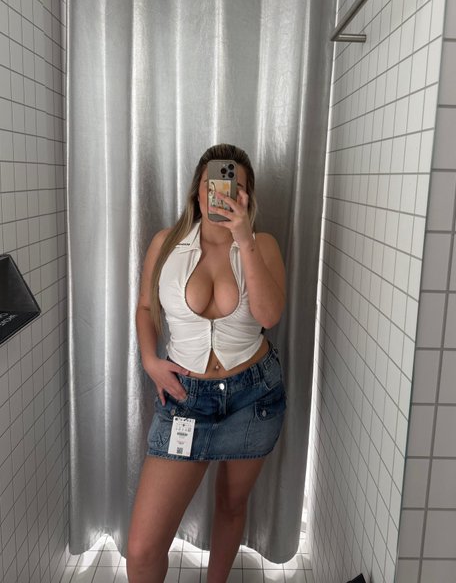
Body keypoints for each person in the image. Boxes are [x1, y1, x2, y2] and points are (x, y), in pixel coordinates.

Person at [127, 144, 286, 583]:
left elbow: (269, 316)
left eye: (235, 186)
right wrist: (150, 360)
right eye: (211, 183)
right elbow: (145, 308)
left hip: (254, 396)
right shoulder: (166, 243)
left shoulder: (262, 244)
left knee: (232, 506)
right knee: (141, 550)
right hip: (186, 400)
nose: (222, 192)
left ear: (246, 196)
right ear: (197, 191)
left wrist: (244, 238)